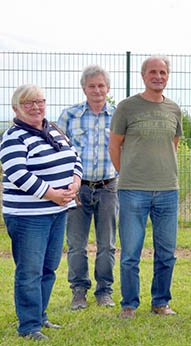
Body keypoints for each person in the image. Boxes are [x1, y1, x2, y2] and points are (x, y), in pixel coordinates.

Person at [1, 85, 82, 340]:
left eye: (39, 101)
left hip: (57, 211)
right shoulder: (13, 136)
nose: (35, 107)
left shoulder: (54, 130)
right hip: (28, 216)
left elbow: (75, 157)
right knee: (30, 271)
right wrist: (52, 194)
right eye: (28, 103)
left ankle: (40, 316)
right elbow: (18, 174)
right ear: (16, 108)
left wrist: (76, 182)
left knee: (48, 267)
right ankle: (28, 326)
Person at [108, 56, 182, 319]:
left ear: (167, 76)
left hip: (167, 191)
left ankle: (161, 302)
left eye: (163, 72)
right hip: (133, 190)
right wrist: (127, 173)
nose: (158, 76)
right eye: (153, 72)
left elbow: (172, 144)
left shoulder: (173, 109)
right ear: (143, 76)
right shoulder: (127, 108)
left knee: (166, 252)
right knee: (130, 252)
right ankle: (129, 304)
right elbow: (114, 146)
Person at [57, 65, 118, 310]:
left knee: (107, 244)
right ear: (84, 88)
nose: (97, 90)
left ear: (108, 88)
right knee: (76, 243)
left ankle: (104, 291)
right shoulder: (69, 116)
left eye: (101, 85)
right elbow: (58, 152)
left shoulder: (117, 115)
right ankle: (79, 291)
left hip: (108, 187)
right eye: (92, 86)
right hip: (77, 189)